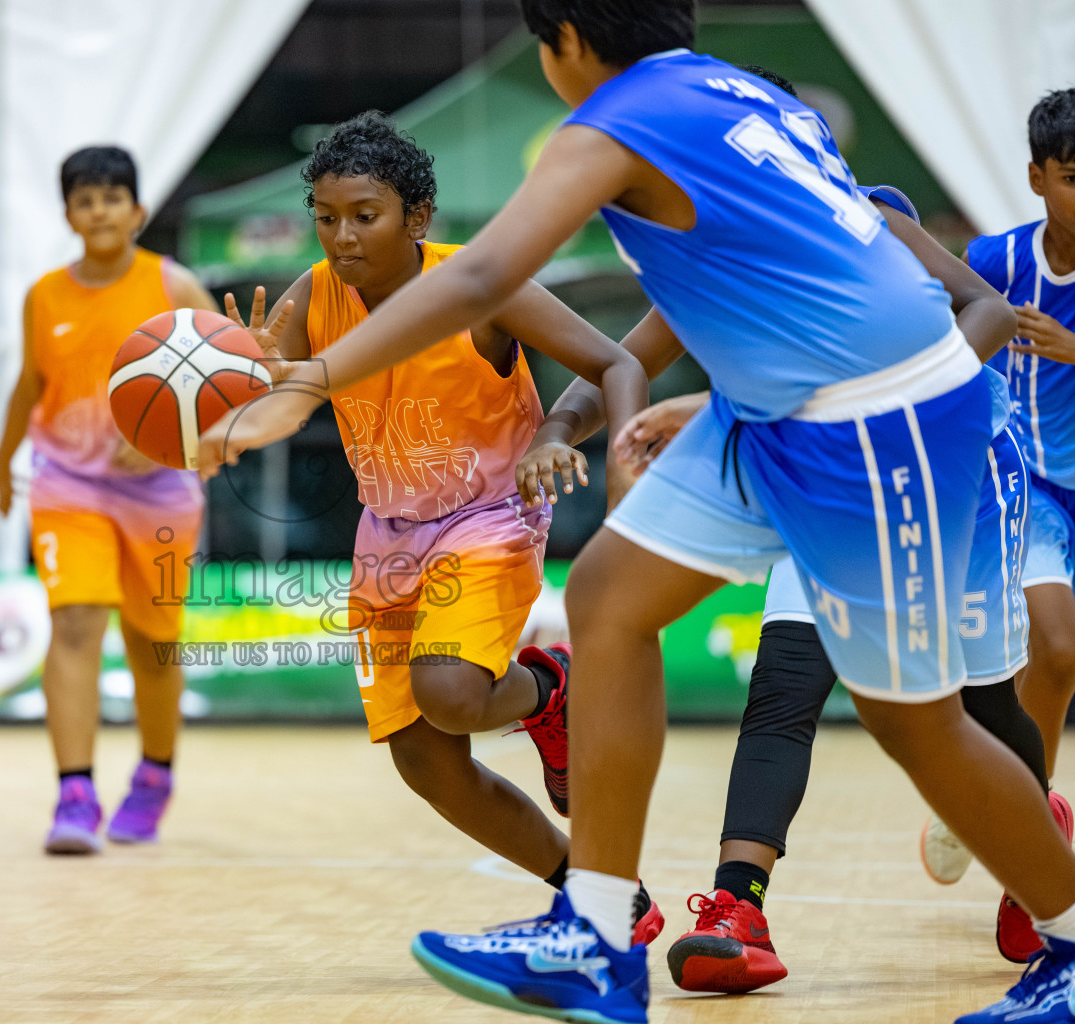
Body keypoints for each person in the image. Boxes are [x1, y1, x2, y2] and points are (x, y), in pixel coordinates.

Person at [196, 4, 1075, 1022]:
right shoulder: (733, 94)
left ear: (566, 40)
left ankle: (1066, 942)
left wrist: (315, 378)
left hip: (878, 417)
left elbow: (481, 274)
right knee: (609, 595)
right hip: (783, 406)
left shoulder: (621, 118)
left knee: (915, 724)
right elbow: (770, 279)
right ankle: (597, 932)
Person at [542, 164, 1058, 989]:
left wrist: (829, 407)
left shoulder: (868, 223)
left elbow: (980, 316)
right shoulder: (724, 246)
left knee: (984, 702)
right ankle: (736, 907)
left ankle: (1042, 852)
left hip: (952, 465)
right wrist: (559, 426)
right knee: (785, 683)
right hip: (817, 472)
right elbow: (623, 356)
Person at [227, 110, 660, 939]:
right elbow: (279, 403)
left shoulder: (480, 286)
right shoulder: (313, 294)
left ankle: (550, 689)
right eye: (326, 217)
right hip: (388, 531)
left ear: (416, 217)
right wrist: (247, 385)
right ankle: (599, 895)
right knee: (424, 761)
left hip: (488, 517)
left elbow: (618, 362)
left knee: (451, 695)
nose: (342, 237)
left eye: (365, 215)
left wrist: (586, 453)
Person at [0, 145, 217, 854]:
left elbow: (230, 380)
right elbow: (31, 383)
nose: (99, 212)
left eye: (112, 198)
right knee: (75, 623)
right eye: (85, 201)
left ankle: (154, 776)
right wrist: (2, 459)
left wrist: (167, 437)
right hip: (68, 484)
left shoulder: (174, 285)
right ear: (68, 215)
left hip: (161, 492)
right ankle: (75, 795)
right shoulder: (44, 295)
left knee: (153, 642)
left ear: (138, 210)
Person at [975, 89, 1075, 785]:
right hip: (1028, 489)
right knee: (1057, 650)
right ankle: (1031, 809)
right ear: (1037, 177)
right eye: (1072, 177)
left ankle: (1000, 796)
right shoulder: (994, 263)